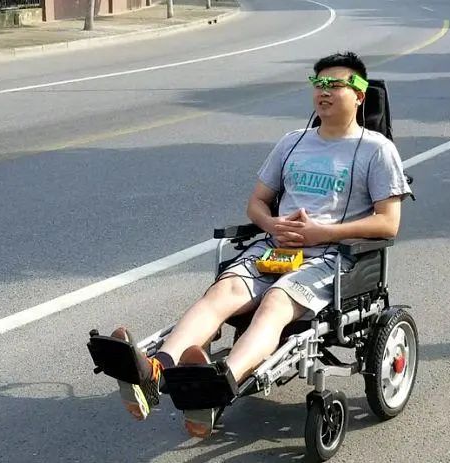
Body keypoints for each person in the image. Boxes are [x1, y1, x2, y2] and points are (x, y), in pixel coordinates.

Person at [107, 51, 412, 438]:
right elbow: (256, 202)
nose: (324, 91)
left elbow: (388, 222)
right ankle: (155, 371)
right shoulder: (292, 142)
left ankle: (218, 386)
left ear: (360, 95)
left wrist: (322, 233)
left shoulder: (376, 150)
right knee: (222, 293)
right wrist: (271, 223)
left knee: (276, 303)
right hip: (275, 249)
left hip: (332, 258)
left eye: (336, 84)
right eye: (319, 83)